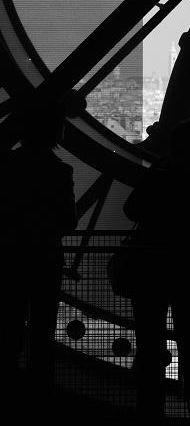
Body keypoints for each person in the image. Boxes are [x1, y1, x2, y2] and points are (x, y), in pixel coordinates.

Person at [123, 118, 190, 423]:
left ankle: (149, 410)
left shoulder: (156, 178)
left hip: (150, 268)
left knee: (149, 344)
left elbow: (132, 210)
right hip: (188, 269)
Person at [0, 102, 77, 412]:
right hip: (45, 259)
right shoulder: (60, 171)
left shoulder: (7, 165)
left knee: (9, 327)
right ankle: (38, 396)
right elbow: (67, 221)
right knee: (42, 332)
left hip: (11, 257)